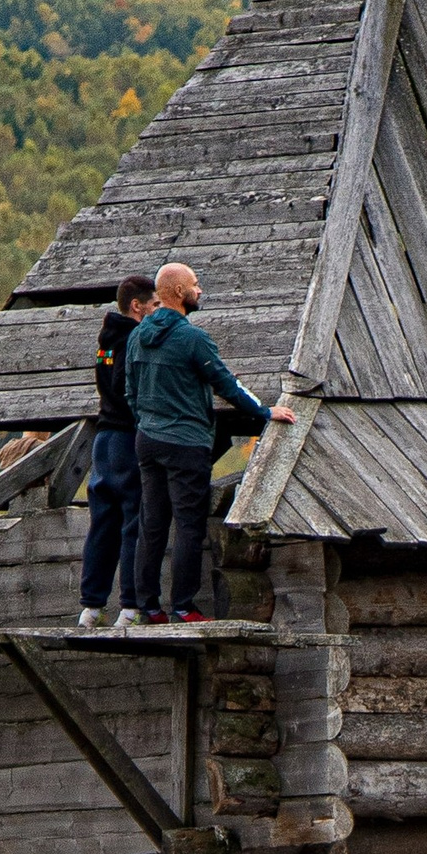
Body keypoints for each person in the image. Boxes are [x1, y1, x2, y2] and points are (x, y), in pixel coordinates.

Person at [122, 260, 295, 623]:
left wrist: (147, 423)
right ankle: (183, 606)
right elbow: (226, 385)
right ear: (180, 293)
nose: (200, 291)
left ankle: (148, 607)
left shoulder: (137, 336)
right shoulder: (193, 339)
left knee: (152, 524)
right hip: (185, 442)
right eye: (196, 285)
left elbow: (131, 392)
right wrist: (265, 412)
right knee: (188, 524)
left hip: (148, 440)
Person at [73, 270, 156, 631]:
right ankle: (130, 606)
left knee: (102, 524)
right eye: (153, 304)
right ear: (136, 306)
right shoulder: (134, 338)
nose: (157, 310)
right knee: (132, 522)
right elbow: (128, 387)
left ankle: (91, 607)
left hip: (102, 439)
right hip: (124, 436)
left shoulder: (105, 339)